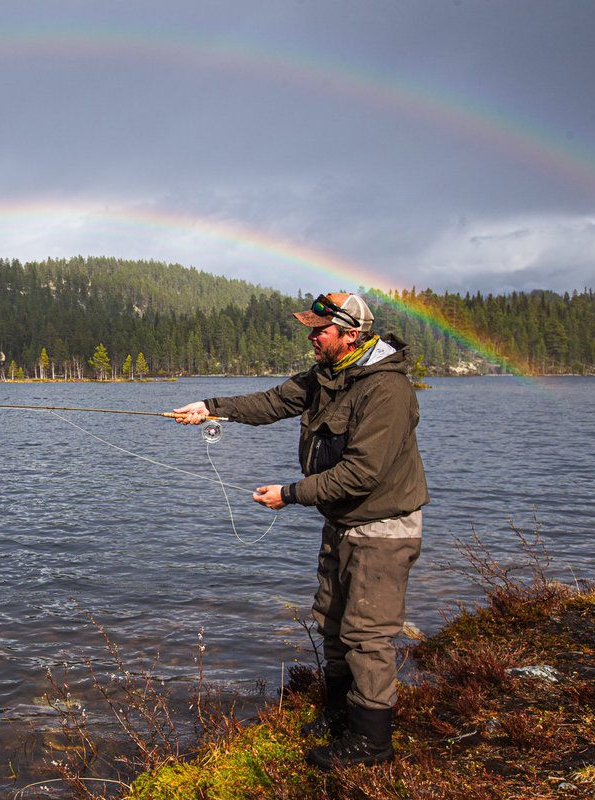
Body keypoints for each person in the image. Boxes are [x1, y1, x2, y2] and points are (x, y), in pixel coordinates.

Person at [173, 291, 428, 771]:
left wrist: (289, 494)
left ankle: (372, 744)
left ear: (351, 335)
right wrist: (208, 406)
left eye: (320, 330)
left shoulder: (386, 391)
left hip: (383, 527)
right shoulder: (326, 377)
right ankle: (338, 715)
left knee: (366, 634)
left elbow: (362, 473)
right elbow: (272, 402)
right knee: (330, 619)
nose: (312, 337)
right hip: (343, 521)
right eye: (311, 329)